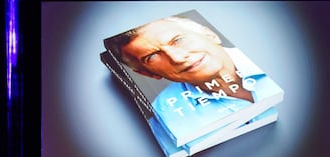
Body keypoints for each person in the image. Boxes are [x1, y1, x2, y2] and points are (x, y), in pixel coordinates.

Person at [107, 13, 284, 122]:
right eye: (152, 57)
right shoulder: (165, 115)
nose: (177, 58)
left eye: (178, 40)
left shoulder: (276, 60)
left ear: (210, 34)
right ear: (147, 73)